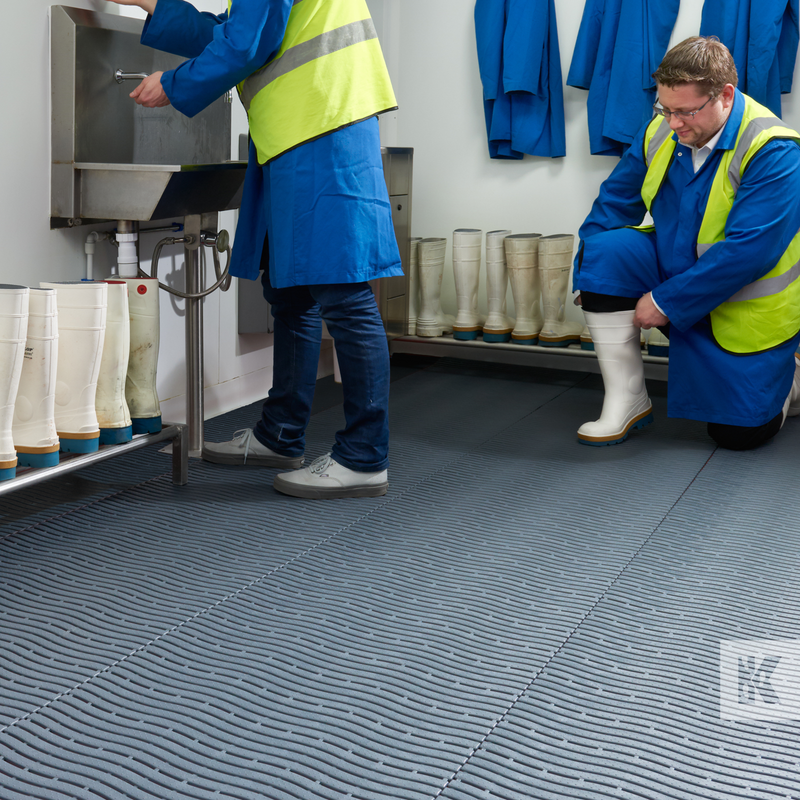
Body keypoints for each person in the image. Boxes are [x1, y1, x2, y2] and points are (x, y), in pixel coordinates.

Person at [108, 0, 402, 498]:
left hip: (322, 122)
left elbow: (248, 42)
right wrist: (154, 5)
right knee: (288, 293)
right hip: (296, 127)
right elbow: (235, 29)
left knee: (343, 292)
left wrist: (174, 84)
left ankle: (364, 456)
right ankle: (280, 433)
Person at [573, 35, 800, 450]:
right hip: (677, 266)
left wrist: (664, 303)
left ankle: (789, 376)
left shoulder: (775, 150)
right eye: (664, 108)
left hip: (743, 303)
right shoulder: (662, 130)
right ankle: (628, 400)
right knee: (604, 251)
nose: (672, 123)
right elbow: (612, 205)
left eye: (685, 112)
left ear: (725, 96)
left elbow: (749, 252)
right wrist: (586, 275)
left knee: (738, 436)